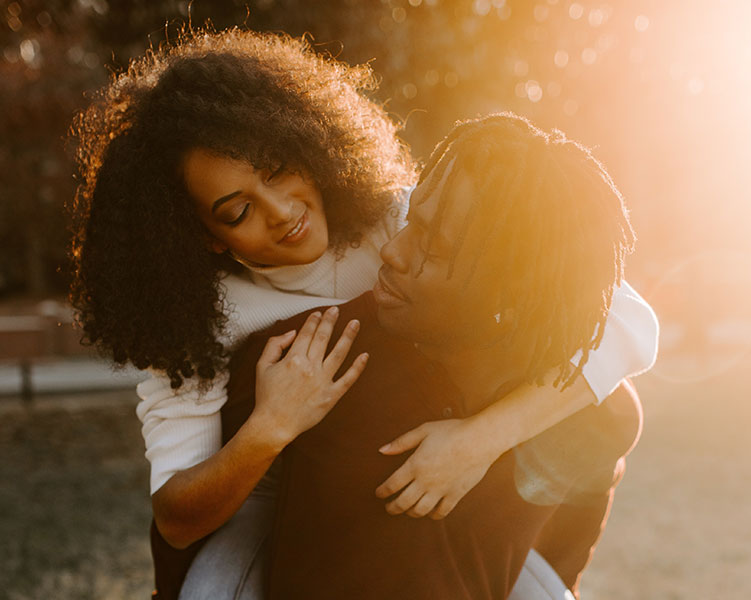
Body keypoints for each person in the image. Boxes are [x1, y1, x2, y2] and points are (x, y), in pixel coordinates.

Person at [68, 28, 657, 598]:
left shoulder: (394, 217)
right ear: (204, 235)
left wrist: (479, 440)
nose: (281, 211)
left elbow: (628, 323)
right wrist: (272, 425)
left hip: (410, 491)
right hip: (266, 506)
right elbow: (177, 518)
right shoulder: (195, 323)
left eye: (278, 170)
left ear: (304, 143)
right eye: (237, 211)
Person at [220, 114, 645, 599]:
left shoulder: (582, 403)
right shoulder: (309, 357)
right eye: (411, 222)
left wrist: (555, 578)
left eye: (434, 248)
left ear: (508, 296)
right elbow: (193, 526)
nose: (392, 251)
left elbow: (596, 467)